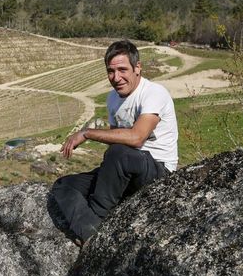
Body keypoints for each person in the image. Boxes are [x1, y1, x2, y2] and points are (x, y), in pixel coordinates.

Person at [51, 39, 178, 245]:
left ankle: (98, 215)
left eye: (122, 69)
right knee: (65, 185)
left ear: (138, 68)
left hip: (157, 171)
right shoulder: (113, 98)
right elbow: (115, 139)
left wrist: (87, 133)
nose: (116, 77)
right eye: (111, 71)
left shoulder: (154, 93)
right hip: (124, 166)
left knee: (119, 152)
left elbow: (136, 138)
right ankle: (91, 234)